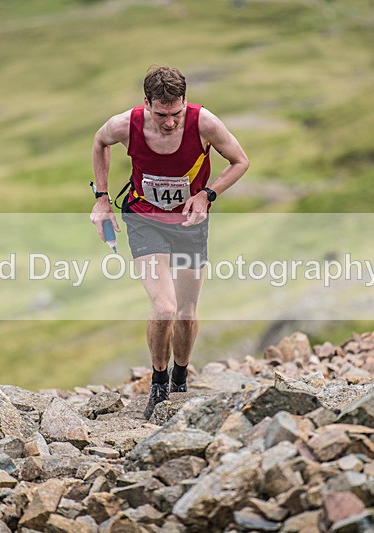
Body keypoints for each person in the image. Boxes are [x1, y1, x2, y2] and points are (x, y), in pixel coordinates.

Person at [90, 66, 249, 419]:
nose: (170, 123)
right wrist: (102, 199)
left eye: (176, 113)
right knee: (164, 307)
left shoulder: (204, 123)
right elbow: (99, 142)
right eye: (161, 114)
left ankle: (180, 376)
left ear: (185, 103)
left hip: (189, 222)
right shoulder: (124, 125)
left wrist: (207, 195)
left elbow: (240, 161)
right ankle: (159, 383)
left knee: (187, 311)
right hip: (144, 219)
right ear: (146, 103)